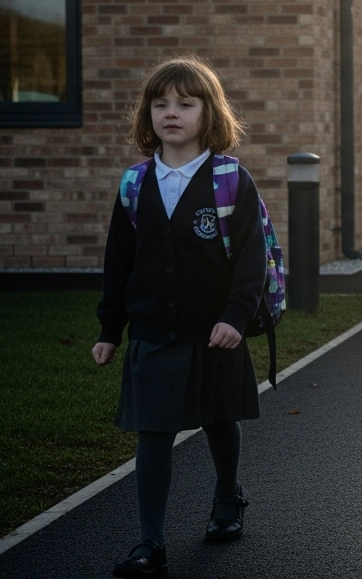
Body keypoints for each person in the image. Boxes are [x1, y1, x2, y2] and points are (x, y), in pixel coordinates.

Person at [95, 56, 267, 578]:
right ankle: (150, 541)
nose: (171, 113)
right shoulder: (134, 184)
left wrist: (236, 318)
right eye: (160, 103)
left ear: (207, 113)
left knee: (219, 419)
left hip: (214, 332)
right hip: (153, 332)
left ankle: (227, 496)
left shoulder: (228, 179)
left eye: (185, 104)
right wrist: (110, 330)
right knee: (153, 433)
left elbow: (251, 260)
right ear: (147, 114)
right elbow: (118, 262)